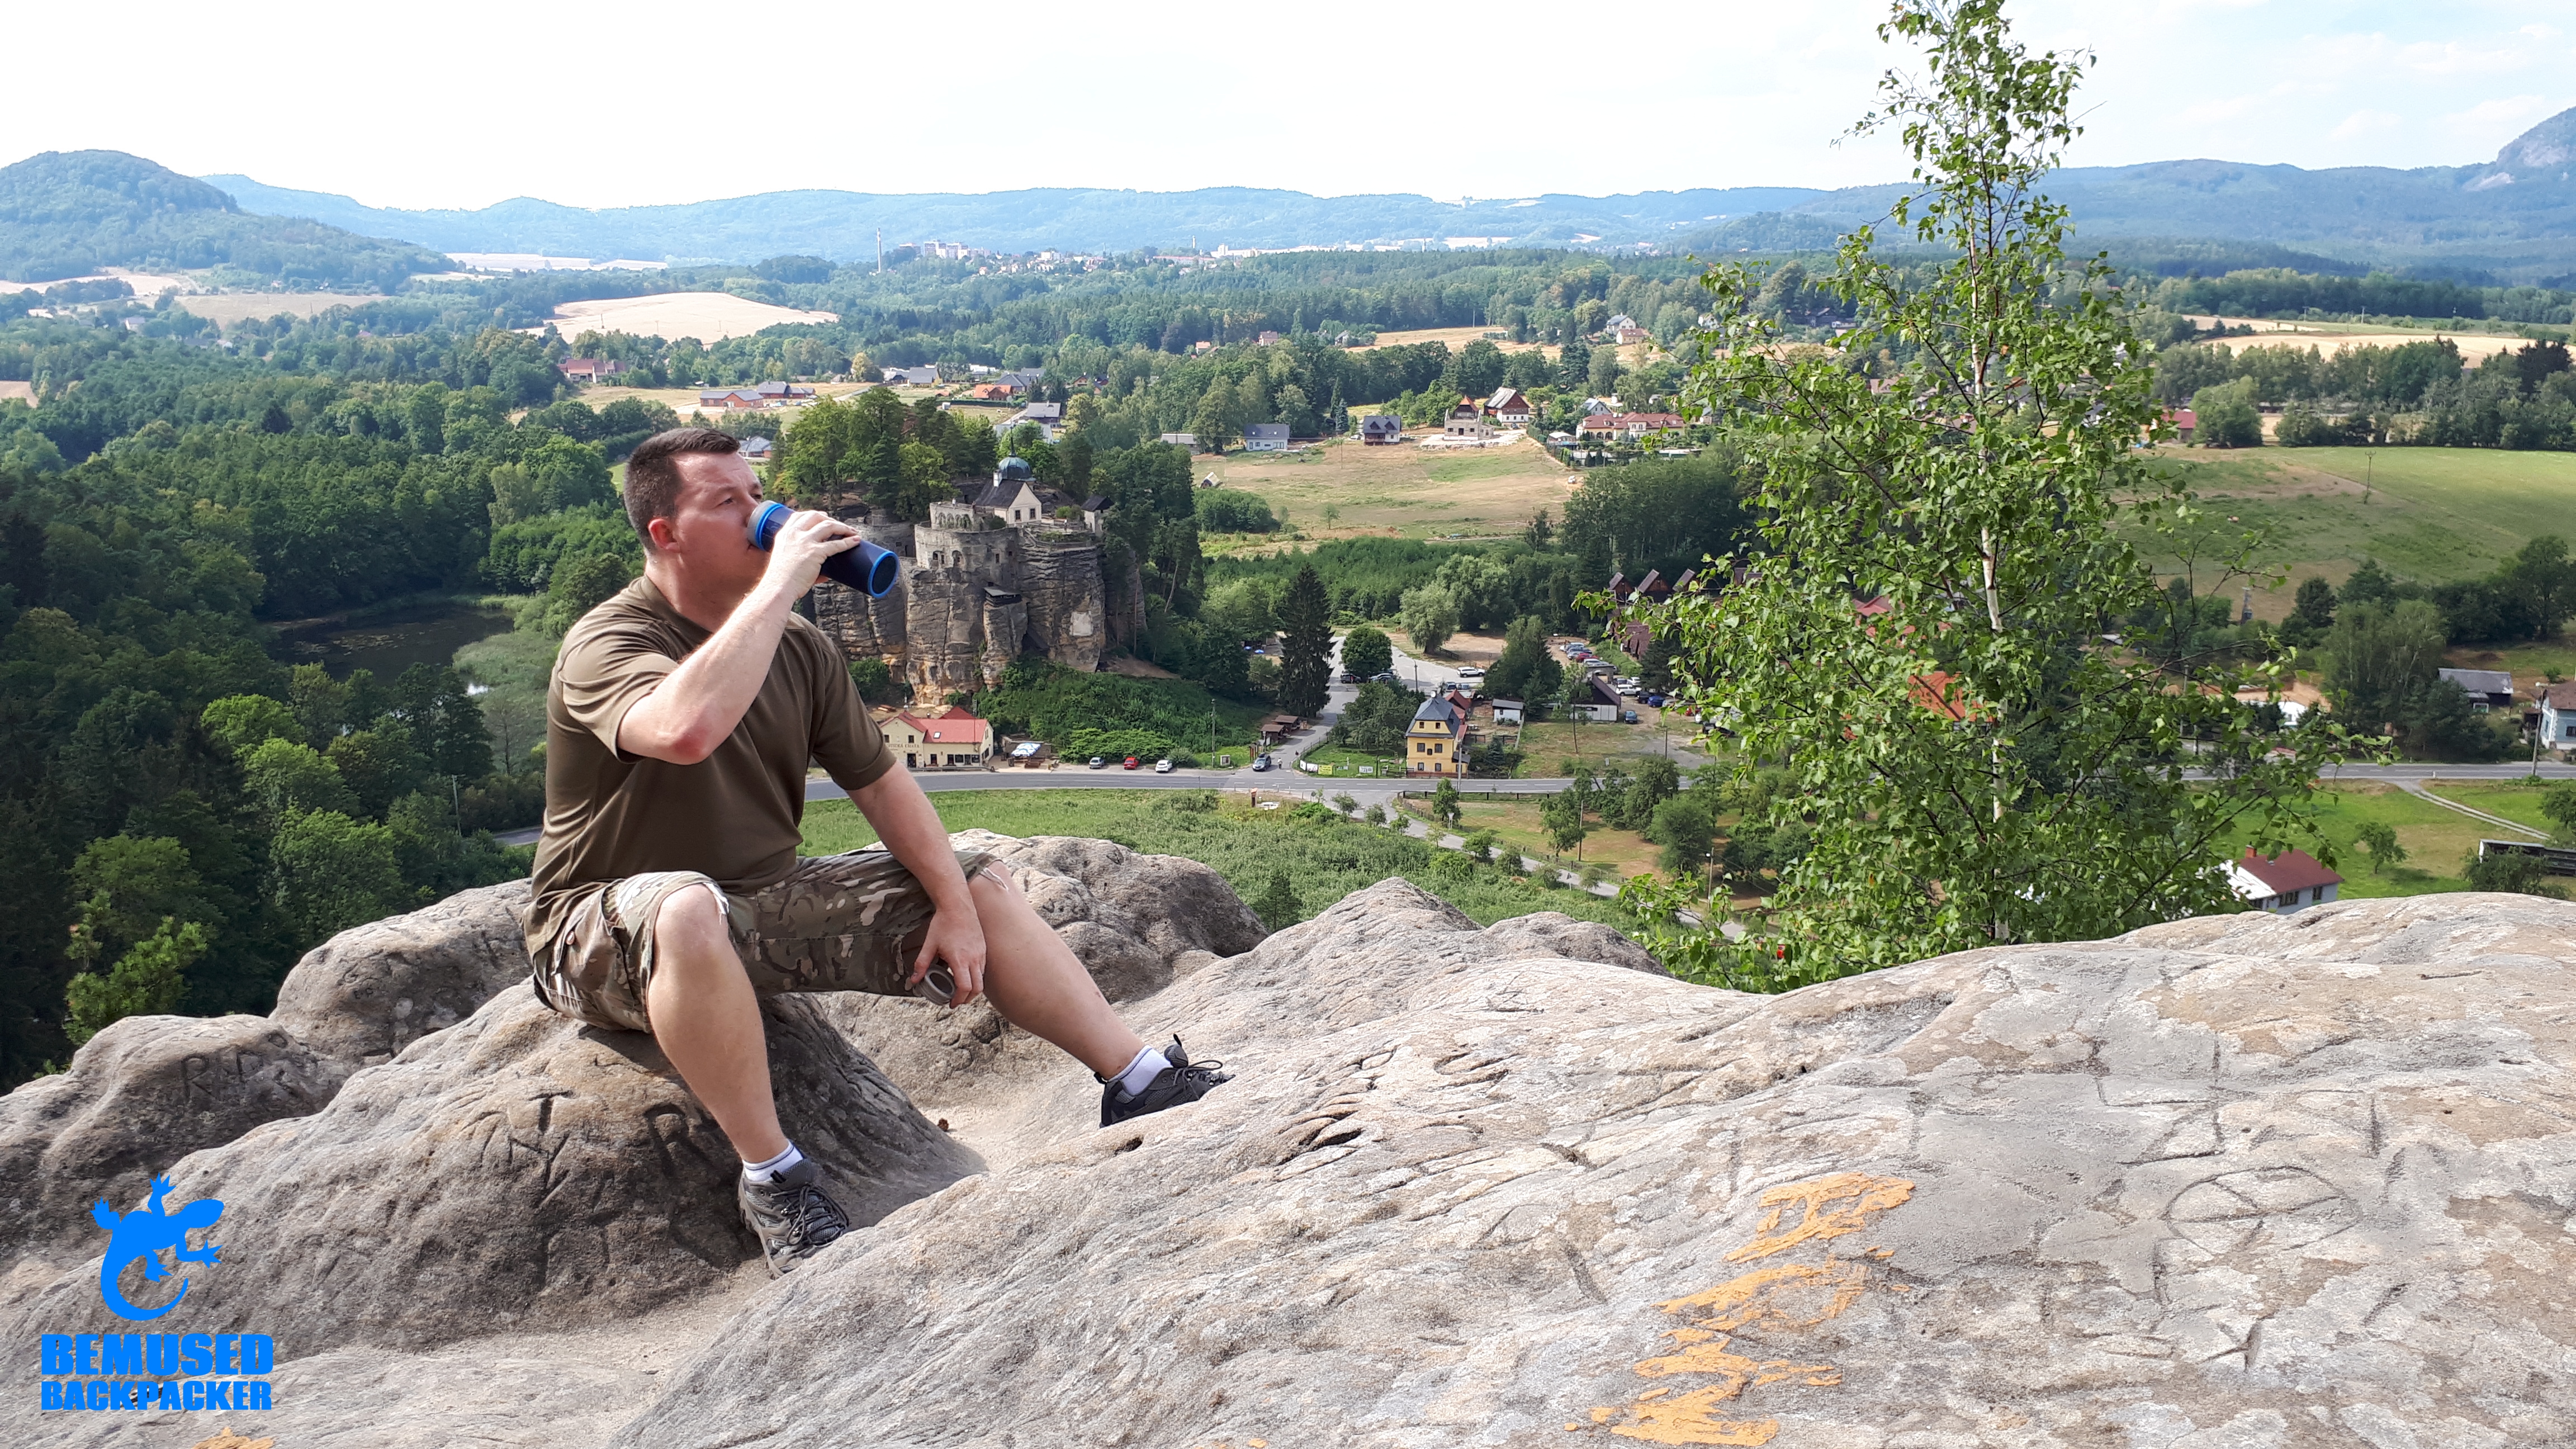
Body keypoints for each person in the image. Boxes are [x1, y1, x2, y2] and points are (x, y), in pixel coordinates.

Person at [521, 427, 1228, 1276]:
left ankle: (1141, 1079)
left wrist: (959, 912)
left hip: (751, 903)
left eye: (758, 495)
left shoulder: (799, 649)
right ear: (663, 535)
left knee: (975, 880)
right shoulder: (612, 642)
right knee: (683, 908)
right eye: (730, 503)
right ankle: (776, 1183)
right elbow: (683, 729)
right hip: (598, 933)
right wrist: (783, 581)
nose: (761, 516)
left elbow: (884, 785)